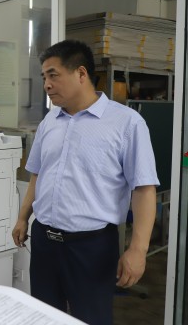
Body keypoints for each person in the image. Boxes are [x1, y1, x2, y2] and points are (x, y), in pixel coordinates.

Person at [11, 40, 159, 325]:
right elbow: (38, 174)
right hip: (44, 241)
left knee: (91, 318)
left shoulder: (127, 123)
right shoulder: (49, 122)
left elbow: (143, 188)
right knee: (43, 317)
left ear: (81, 73)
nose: (46, 84)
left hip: (91, 246)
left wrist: (138, 249)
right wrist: (22, 217)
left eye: (53, 75)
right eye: (44, 77)